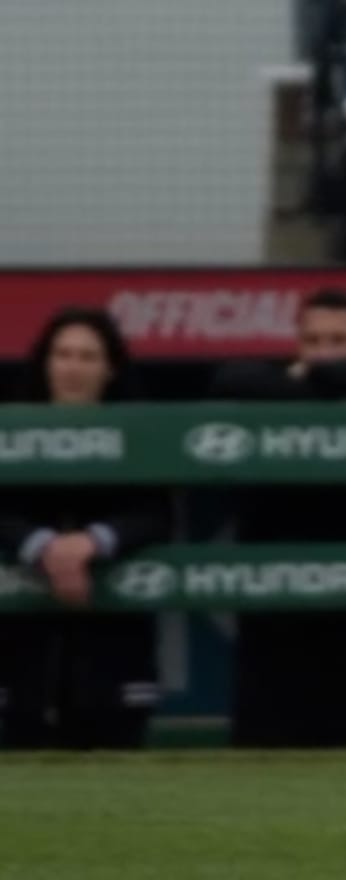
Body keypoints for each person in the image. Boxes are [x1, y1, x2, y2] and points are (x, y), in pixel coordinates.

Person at [207, 291, 346, 748]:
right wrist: (319, 383)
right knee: (261, 755)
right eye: (312, 340)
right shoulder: (268, 385)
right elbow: (229, 378)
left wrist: (321, 376)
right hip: (276, 612)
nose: (324, 351)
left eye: (339, 340)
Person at [0, 309, 168, 751]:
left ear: (109, 368)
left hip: (114, 652)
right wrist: (42, 546)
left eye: (88, 356)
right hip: (21, 653)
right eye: (63, 354)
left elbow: (155, 512)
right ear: (46, 362)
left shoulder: (141, 433)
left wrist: (92, 541)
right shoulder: (10, 426)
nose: (73, 367)